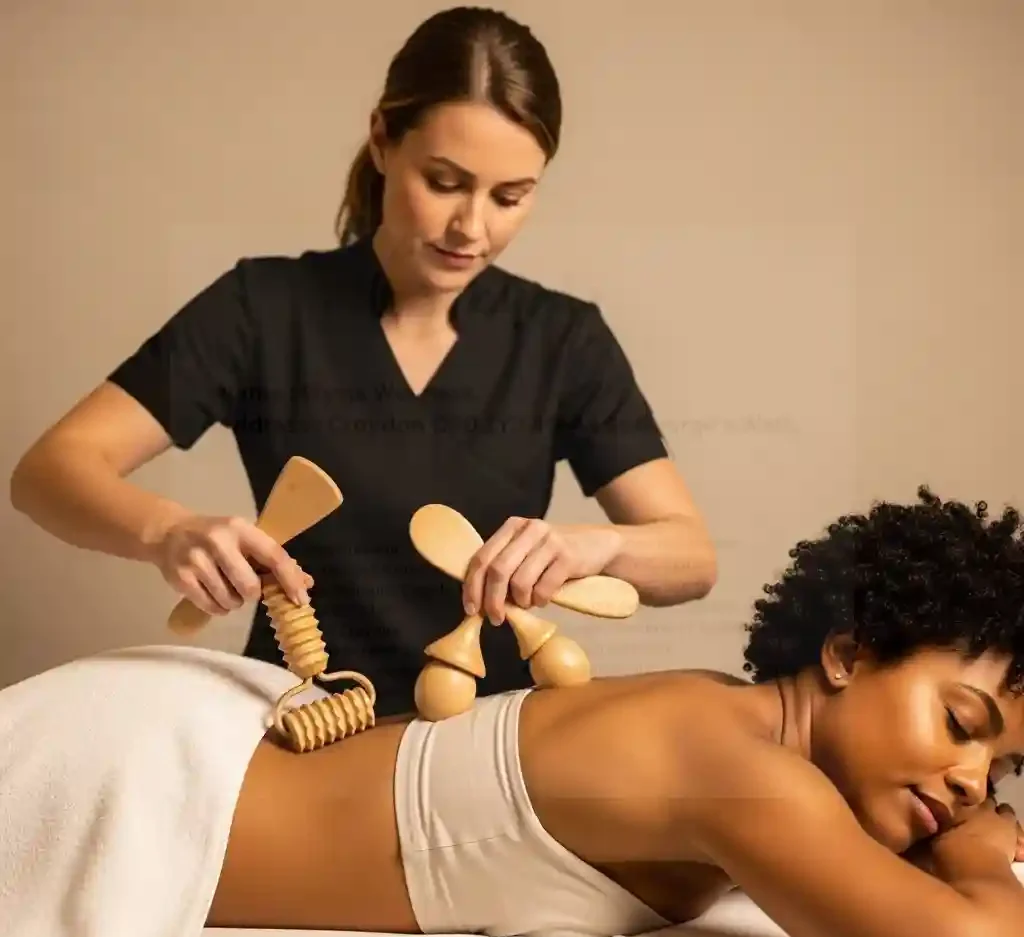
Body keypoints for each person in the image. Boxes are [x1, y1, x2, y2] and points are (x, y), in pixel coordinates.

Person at [7, 5, 716, 717]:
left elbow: (690, 557)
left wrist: (593, 547)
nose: (472, 227)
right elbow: (49, 471)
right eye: (444, 182)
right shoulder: (263, 308)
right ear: (382, 139)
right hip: (297, 731)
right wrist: (165, 531)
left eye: (510, 197)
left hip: (489, 745)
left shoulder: (563, 339)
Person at [2, 485, 1024, 937]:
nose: (975, 783)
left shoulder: (733, 730)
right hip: (142, 777)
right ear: (847, 653)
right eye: (962, 724)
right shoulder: (741, 770)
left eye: (1003, 769)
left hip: (214, 745)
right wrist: (981, 853)